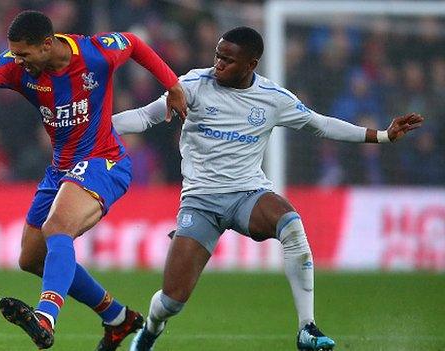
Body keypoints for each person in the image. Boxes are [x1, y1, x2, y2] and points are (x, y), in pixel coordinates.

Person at [112, 27, 423, 351]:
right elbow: (145, 117)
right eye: (218, 56)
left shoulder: (273, 99)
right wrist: (99, 127)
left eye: (228, 60)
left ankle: (307, 328)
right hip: (200, 202)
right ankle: (150, 329)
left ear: (251, 64)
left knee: (291, 224)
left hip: (248, 194)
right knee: (172, 300)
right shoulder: (192, 85)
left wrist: (382, 136)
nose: (218, 64)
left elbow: (321, 124)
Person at [0, 10, 187, 350]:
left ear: (46, 45)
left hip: (105, 161)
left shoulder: (95, 53)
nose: (18, 61)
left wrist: (173, 85)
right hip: (60, 169)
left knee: (57, 228)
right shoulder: (15, 66)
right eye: (14, 54)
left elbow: (133, 44)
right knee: (31, 258)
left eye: (24, 54)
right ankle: (117, 317)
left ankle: (45, 317)